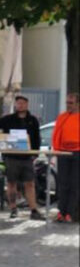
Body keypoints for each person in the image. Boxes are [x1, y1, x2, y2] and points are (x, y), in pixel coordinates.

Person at [0, 95, 42, 220]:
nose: (20, 105)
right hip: (11, 156)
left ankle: (33, 209)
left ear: (27, 105)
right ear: (15, 105)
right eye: (18, 103)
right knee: (11, 183)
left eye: (23, 103)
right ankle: (13, 208)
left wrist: (35, 153)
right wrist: (2, 138)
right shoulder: (8, 119)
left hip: (27, 157)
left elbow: (37, 136)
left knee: (30, 183)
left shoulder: (32, 120)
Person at [51, 92, 79, 223]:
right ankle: (61, 212)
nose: (68, 105)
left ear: (77, 103)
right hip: (63, 153)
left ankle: (70, 213)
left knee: (75, 184)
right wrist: (56, 150)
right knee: (63, 184)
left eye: (71, 103)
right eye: (67, 102)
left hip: (78, 153)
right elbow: (56, 134)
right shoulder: (62, 117)